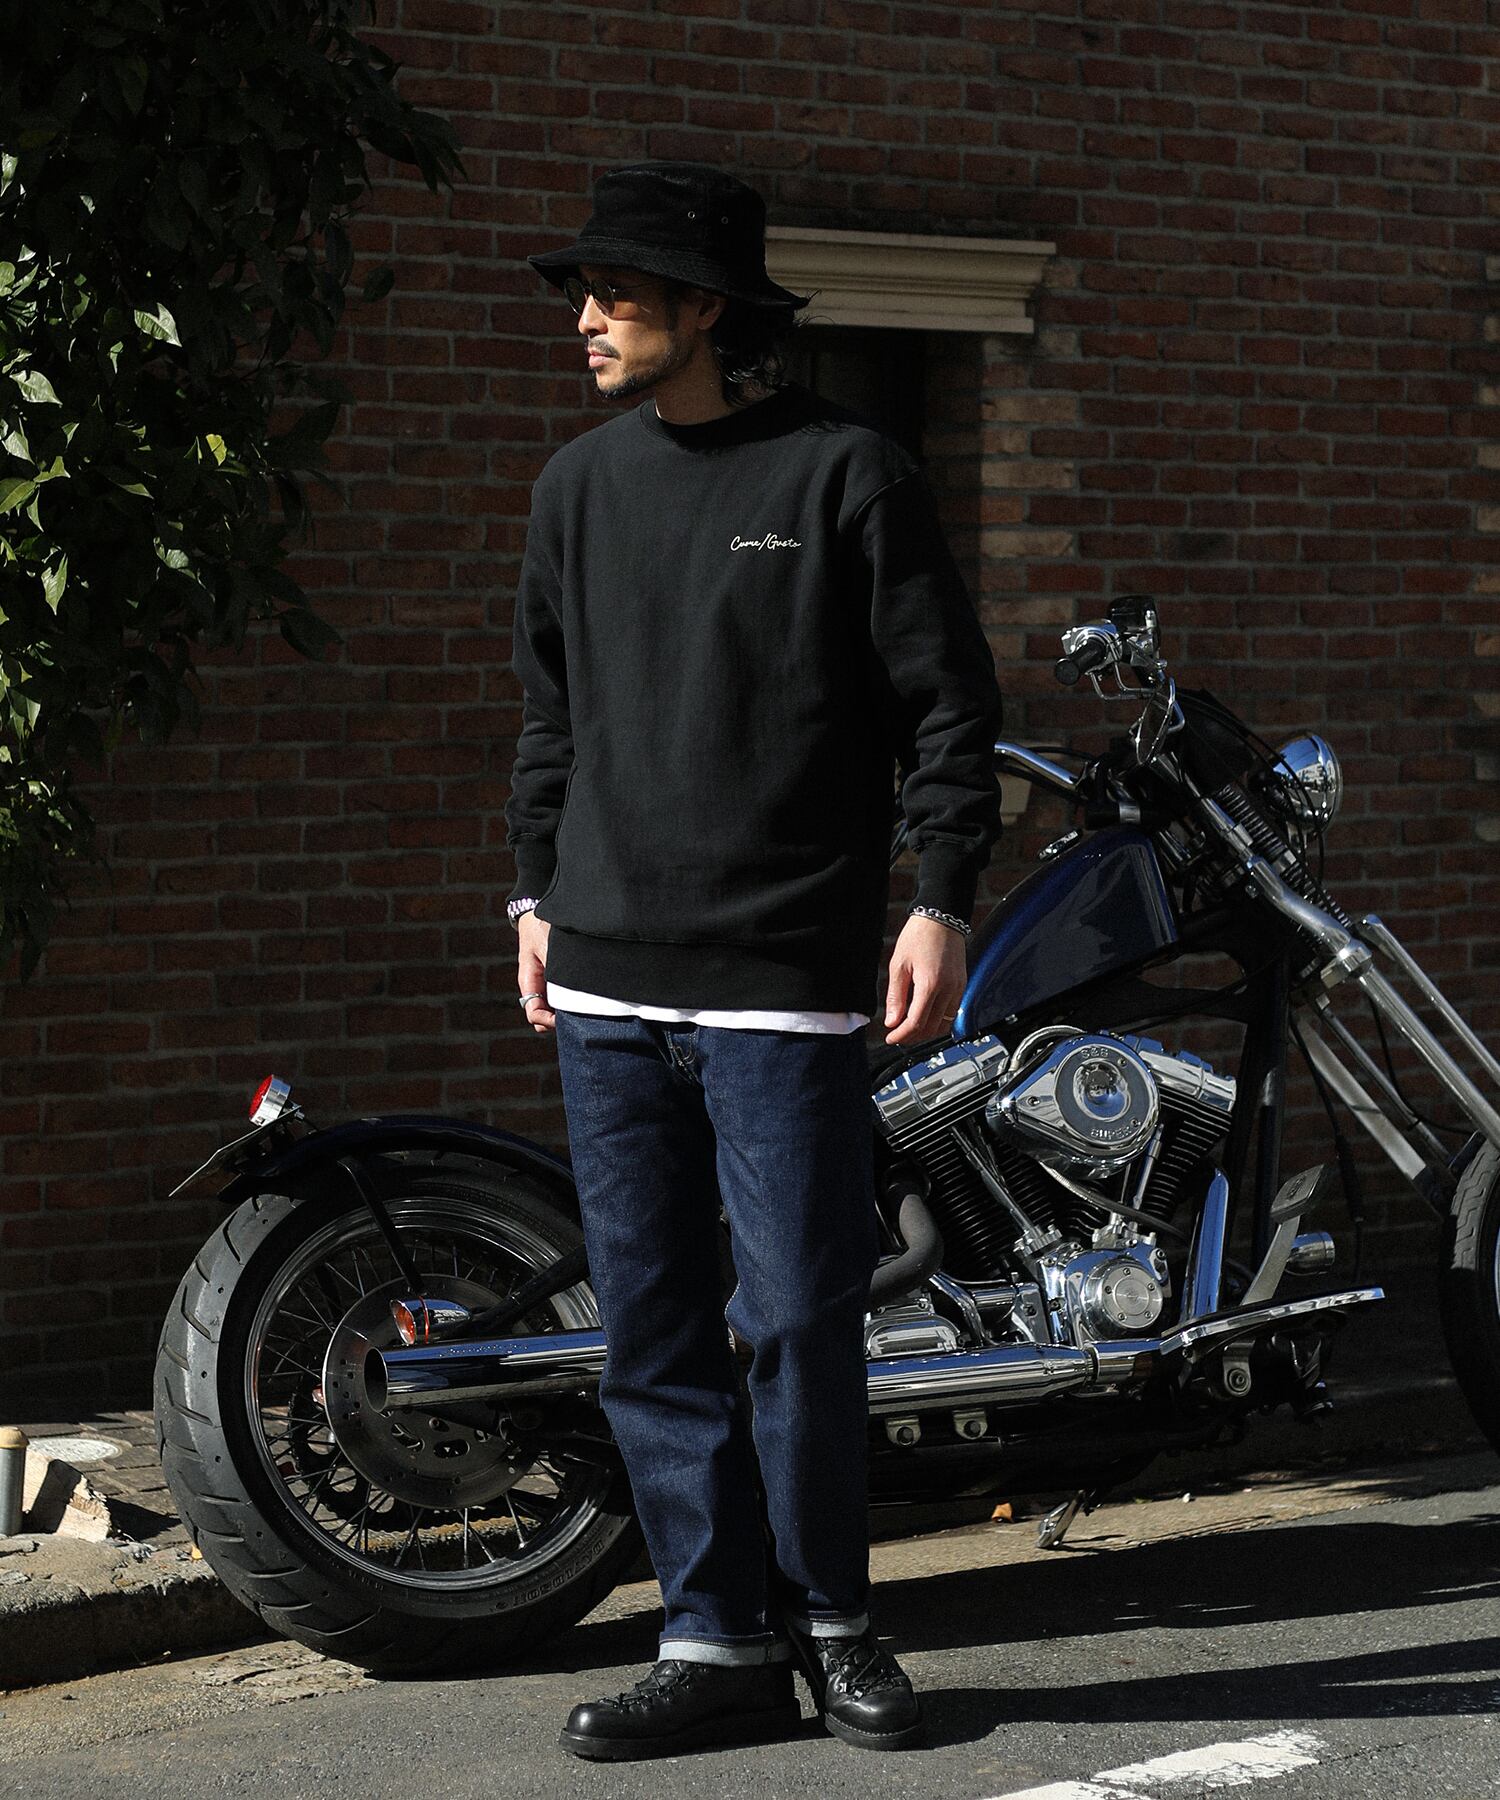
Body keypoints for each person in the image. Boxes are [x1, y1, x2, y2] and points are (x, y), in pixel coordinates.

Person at [503, 160, 1003, 1762]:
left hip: (783, 978)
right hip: (604, 980)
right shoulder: (576, 489)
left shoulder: (848, 473)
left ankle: (834, 1625)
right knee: (653, 1331)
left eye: (617, 294)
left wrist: (940, 899)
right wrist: (532, 898)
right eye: (584, 295)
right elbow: (552, 721)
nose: (586, 320)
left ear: (706, 309)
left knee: (798, 1320)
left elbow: (947, 707)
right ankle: (712, 1640)